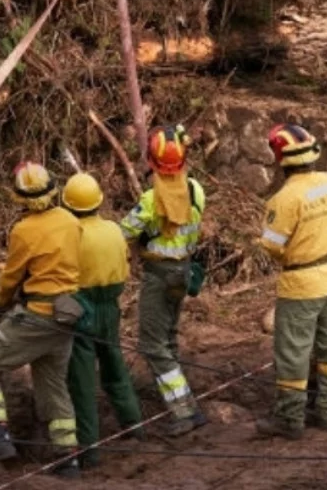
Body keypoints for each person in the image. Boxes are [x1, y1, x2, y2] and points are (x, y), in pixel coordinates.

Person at [0, 162, 82, 475]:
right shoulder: (71, 221)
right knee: (54, 384)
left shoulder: (24, 231)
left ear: (18, 198)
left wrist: (0, 302)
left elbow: (11, 277)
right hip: (68, 316)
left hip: (37, 316)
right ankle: (67, 456)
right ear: (53, 190)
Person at [253, 124, 327, 441]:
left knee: (294, 354)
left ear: (281, 159)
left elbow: (271, 246)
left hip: (302, 285)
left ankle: (290, 421)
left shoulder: (284, 200)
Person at [116, 125, 207, 436]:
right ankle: (178, 393)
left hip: (158, 275)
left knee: (151, 344)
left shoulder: (152, 199)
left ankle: (184, 409)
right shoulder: (195, 189)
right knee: (167, 338)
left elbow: (124, 232)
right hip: (183, 270)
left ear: (152, 163)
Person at [61, 172, 143, 468]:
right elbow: (125, 264)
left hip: (82, 308)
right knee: (115, 367)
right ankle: (134, 426)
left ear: (68, 205)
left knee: (81, 381)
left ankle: (89, 450)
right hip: (110, 306)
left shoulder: (70, 234)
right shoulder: (113, 229)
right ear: (99, 201)